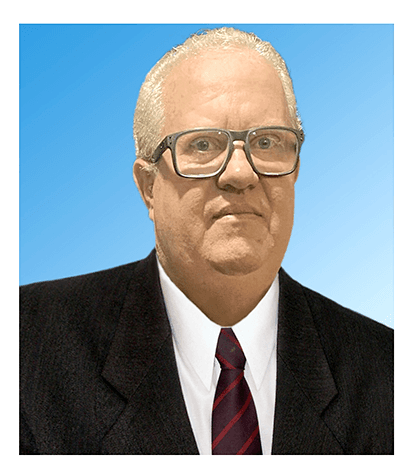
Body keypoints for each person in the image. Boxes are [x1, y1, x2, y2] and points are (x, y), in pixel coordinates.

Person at [20, 27, 393, 455]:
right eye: (202, 144)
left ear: (295, 172)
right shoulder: (24, 345)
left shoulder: (390, 373)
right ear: (148, 187)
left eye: (267, 142)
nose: (240, 173)